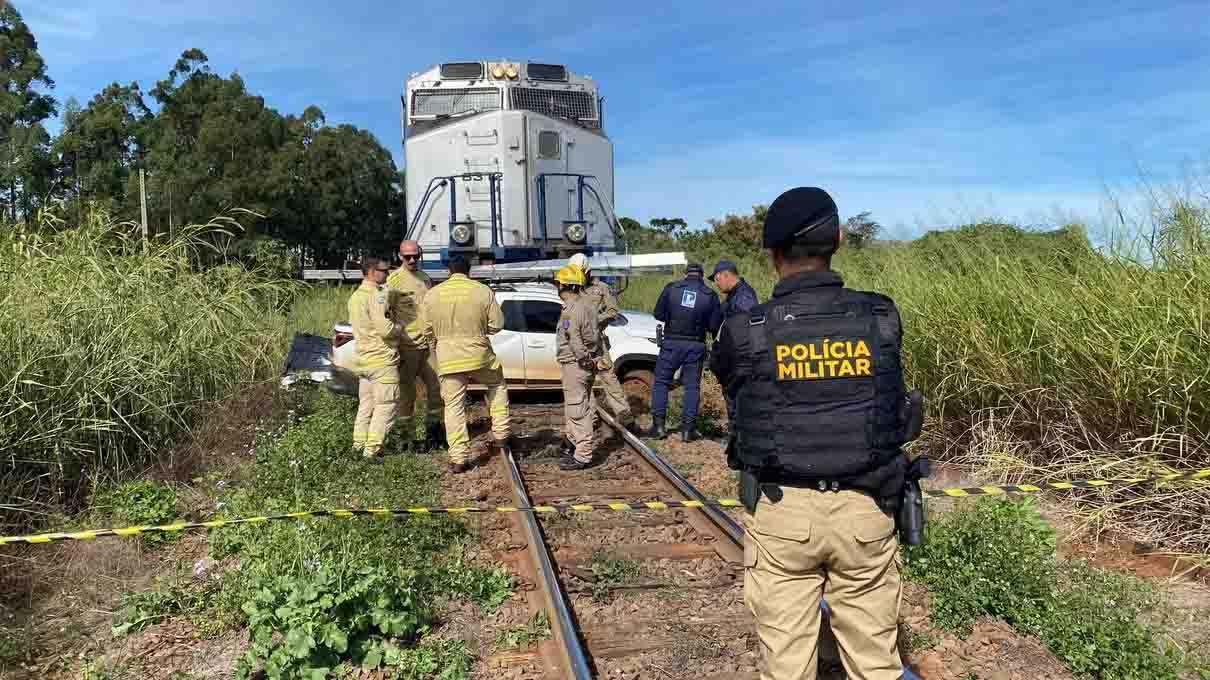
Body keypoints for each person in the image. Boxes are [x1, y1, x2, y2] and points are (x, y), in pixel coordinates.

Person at [711, 187, 915, 680]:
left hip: (784, 513)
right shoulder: (882, 317)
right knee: (876, 662)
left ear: (773, 253)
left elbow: (734, 389)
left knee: (786, 662)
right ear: (839, 240)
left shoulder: (744, 330)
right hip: (867, 509)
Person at [419, 255, 511, 473]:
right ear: (469, 270)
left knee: (454, 406)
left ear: (448, 271)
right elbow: (497, 325)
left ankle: (459, 458)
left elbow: (425, 330)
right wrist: (479, 332)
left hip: (448, 357)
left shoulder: (432, 295)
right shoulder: (482, 291)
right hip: (479, 354)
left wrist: (438, 343)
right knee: (497, 385)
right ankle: (501, 434)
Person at [649, 262, 722, 442]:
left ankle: (658, 427)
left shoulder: (671, 288)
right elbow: (714, 326)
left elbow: (658, 314)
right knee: (692, 387)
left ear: (685, 274)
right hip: (695, 346)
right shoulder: (710, 295)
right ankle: (688, 430)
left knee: (661, 383)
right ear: (702, 276)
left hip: (671, 343)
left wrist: (673, 318)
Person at [568, 253, 639, 434]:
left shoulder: (601, 288)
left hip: (597, 342)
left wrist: (594, 320)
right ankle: (588, 418)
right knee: (583, 381)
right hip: (577, 343)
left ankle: (624, 415)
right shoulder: (570, 288)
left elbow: (613, 311)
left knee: (609, 377)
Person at [386, 240, 444, 446]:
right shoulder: (393, 280)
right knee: (406, 394)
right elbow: (385, 314)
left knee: (437, 389)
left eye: (415, 256)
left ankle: (435, 433)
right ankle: (405, 438)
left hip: (428, 346)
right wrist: (394, 344)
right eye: (407, 257)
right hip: (407, 346)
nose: (412, 260)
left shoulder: (425, 278)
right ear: (400, 256)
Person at [348, 256, 400, 464]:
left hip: (363, 361)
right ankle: (372, 452)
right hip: (381, 361)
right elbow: (385, 329)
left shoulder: (355, 297)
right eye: (384, 271)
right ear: (371, 272)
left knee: (366, 406)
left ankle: (358, 446)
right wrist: (399, 329)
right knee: (386, 405)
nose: (387, 275)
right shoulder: (377, 295)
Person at [554, 264, 602, 470]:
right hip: (585, 364)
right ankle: (573, 443)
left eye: (558, 284)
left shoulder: (570, 311)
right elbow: (594, 336)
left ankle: (583, 455)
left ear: (565, 286)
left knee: (577, 409)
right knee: (580, 405)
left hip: (575, 364)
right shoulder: (588, 306)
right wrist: (591, 360)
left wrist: (583, 359)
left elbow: (574, 339)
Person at [708, 259, 760, 426]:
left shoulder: (743, 297)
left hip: (740, 363)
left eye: (716, 279)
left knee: (740, 406)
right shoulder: (733, 297)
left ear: (726, 275)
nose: (716, 284)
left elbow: (743, 333)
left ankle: (739, 441)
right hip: (732, 362)